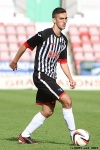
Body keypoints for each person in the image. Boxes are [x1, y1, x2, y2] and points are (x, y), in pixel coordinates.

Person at [9, 7, 76, 144]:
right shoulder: (44, 35)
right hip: (41, 75)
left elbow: (63, 62)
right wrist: (15, 61)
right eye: (61, 19)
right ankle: (74, 135)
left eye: (65, 19)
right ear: (54, 20)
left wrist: (70, 78)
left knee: (47, 111)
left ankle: (24, 136)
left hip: (51, 78)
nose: (64, 21)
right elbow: (25, 45)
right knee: (67, 101)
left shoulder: (63, 40)